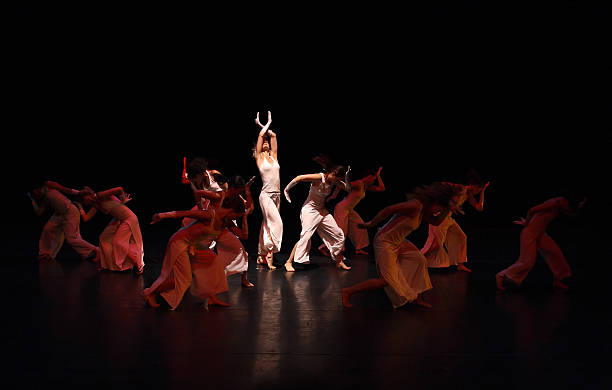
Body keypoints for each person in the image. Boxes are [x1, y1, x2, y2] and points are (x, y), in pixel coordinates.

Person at [341, 182, 462, 309]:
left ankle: (417, 298)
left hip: (398, 242)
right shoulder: (415, 205)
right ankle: (348, 291)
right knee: (385, 280)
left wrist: (448, 210)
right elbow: (389, 209)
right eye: (438, 208)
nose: (437, 211)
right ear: (434, 201)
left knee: (419, 259)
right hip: (384, 242)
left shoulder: (424, 210)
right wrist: (371, 223)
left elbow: (436, 222)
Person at [144, 194, 247, 309]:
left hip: (194, 244)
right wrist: (161, 215)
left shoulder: (226, 221)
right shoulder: (209, 215)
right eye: (237, 216)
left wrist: (245, 217)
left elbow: (244, 235)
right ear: (232, 211)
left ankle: (211, 297)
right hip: (180, 242)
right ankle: (151, 293)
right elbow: (185, 213)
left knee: (215, 262)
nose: (236, 218)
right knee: (185, 279)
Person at [495, 194, 587, 291]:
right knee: (527, 262)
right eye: (569, 207)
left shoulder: (560, 205)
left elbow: (570, 212)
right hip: (530, 233)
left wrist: (580, 206)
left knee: (555, 253)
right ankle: (501, 276)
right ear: (566, 202)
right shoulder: (553, 203)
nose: (567, 210)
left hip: (540, 234)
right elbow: (532, 210)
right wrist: (527, 223)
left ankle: (559, 279)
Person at [283, 155, 352, 272]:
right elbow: (300, 178)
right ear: (333, 174)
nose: (338, 181)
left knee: (338, 234)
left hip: (321, 211)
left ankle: (339, 261)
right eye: (338, 178)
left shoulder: (334, 181)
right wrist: (286, 189)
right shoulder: (319, 177)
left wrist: (346, 178)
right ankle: (288, 262)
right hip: (309, 210)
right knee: (306, 236)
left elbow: (348, 189)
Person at [421, 176, 490, 272]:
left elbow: (479, 207)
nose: (477, 193)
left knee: (461, 237)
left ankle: (460, 264)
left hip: (448, 218)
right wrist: (451, 204)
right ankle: (416, 260)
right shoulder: (460, 188)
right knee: (436, 245)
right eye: (478, 191)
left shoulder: (468, 195)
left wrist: (483, 191)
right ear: (474, 187)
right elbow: (443, 186)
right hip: (440, 216)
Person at [319, 167, 385, 256]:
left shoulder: (365, 186)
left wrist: (378, 176)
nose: (374, 181)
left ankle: (359, 248)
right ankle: (324, 247)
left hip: (349, 210)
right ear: (369, 177)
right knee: (341, 231)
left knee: (360, 226)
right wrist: (333, 196)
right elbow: (342, 185)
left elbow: (381, 188)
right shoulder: (358, 184)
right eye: (373, 179)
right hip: (342, 209)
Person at [28, 180, 100, 262]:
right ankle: (46, 254)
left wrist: (79, 192)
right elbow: (39, 212)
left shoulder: (48, 185)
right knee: (47, 229)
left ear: (36, 190)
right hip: (59, 214)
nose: (37, 197)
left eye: (35, 196)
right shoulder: (45, 198)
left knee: (71, 239)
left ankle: (95, 250)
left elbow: (65, 189)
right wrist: (32, 201)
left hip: (70, 211)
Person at [78, 186, 144, 274]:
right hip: (118, 220)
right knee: (104, 238)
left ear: (87, 196)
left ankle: (139, 265)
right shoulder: (97, 204)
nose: (85, 204)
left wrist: (123, 199)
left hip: (128, 219)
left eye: (84, 201)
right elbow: (86, 218)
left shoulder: (100, 195)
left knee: (118, 242)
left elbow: (119, 189)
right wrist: (80, 208)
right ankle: (109, 265)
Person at [253, 111, 283, 270]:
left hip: (276, 196)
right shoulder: (259, 158)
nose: (265, 142)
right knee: (276, 224)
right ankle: (269, 255)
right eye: (263, 141)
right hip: (265, 196)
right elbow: (261, 136)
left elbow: (274, 136)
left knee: (266, 224)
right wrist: (265, 124)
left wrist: (267, 128)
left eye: (266, 141)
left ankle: (260, 255)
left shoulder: (274, 157)